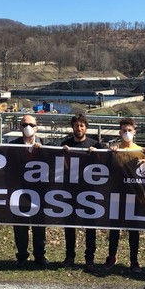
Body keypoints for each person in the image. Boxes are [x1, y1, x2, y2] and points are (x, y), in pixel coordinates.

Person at [105, 117, 145, 274]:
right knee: (114, 228)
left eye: (129, 130)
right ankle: (111, 256)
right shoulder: (115, 151)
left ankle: (134, 259)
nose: (126, 133)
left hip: (134, 196)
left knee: (133, 229)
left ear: (134, 132)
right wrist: (110, 153)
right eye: (124, 130)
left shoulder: (140, 151)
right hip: (117, 194)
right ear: (119, 132)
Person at [60, 114, 102, 272]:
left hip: (90, 191)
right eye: (77, 126)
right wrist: (62, 154)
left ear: (86, 127)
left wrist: (97, 153)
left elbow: (104, 164)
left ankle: (89, 258)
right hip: (70, 191)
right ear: (73, 127)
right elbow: (59, 167)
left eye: (82, 126)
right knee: (69, 225)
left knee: (90, 226)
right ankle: (69, 256)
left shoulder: (95, 144)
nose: (79, 129)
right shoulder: (65, 144)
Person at [9, 114, 48, 267]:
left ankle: (40, 256)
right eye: (25, 125)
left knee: (39, 225)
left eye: (31, 125)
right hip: (18, 193)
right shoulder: (12, 146)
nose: (28, 128)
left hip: (39, 193)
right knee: (20, 226)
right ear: (20, 127)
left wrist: (43, 151)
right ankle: (22, 256)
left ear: (37, 127)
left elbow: (52, 166)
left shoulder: (46, 145)